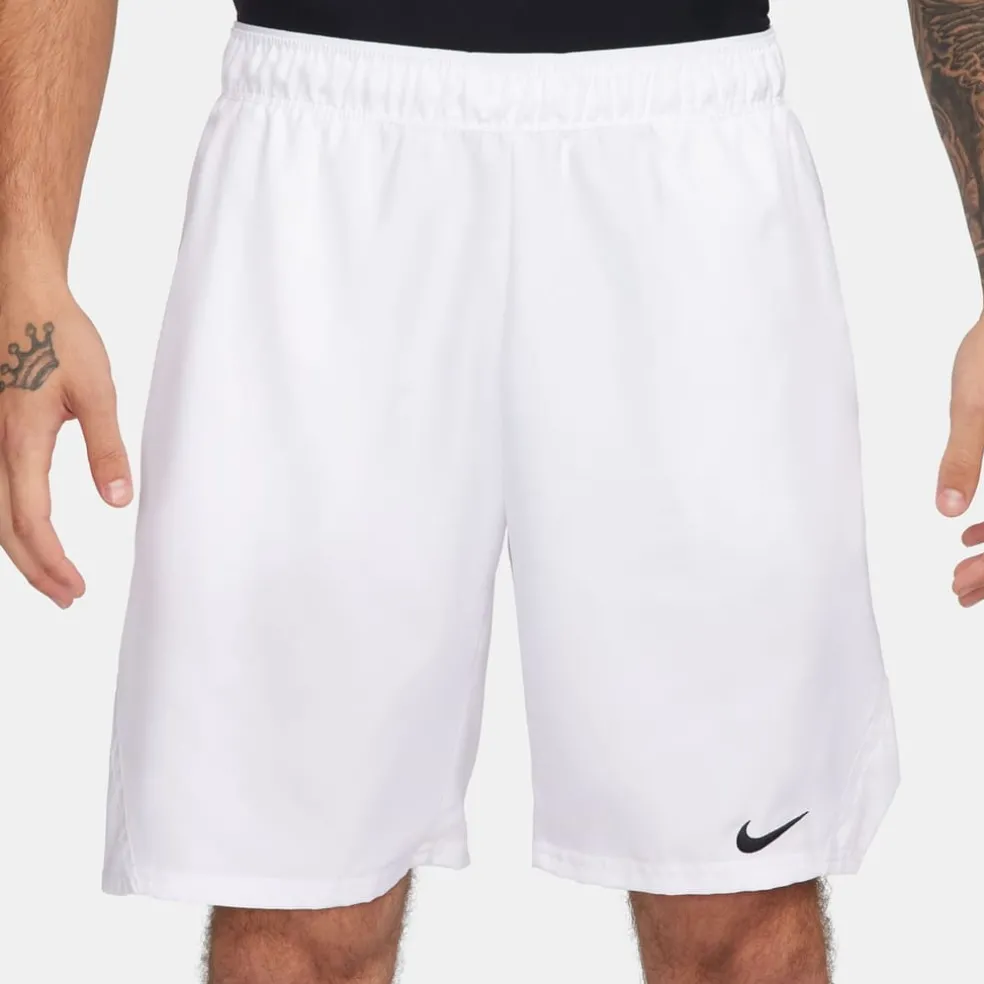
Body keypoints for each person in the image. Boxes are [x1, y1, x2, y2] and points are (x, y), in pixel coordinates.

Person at [0, 2, 972, 982]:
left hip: (689, 150)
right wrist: (23, 264)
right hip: (315, 160)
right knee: (295, 914)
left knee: (739, 914)